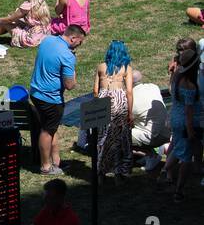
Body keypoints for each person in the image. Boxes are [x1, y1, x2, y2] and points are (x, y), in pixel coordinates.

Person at [30, 26, 86, 175]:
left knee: (52, 128)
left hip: (35, 93)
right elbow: (70, 85)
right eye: (79, 42)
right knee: (47, 131)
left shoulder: (47, 40)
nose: (79, 45)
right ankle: (46, 166)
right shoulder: (67, 55)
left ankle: (56, 162)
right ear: (73, 38)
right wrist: (73, 71)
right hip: (50, 99)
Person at [93, 40, 135, 181]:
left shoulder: (101, 67)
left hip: (103, 98)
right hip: (119, 100)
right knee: (121, 137)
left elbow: (95, 91)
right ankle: (119, 171)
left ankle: (100, 171)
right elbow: (129, 91)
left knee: (103, 137)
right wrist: (130, 112)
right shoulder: (126, 67)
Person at [166, 39, 201, 202]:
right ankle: (178, 191)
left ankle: (166, 174)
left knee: (177, 147)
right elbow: (189, 113)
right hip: (185, 123)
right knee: (185, 157)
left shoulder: (176, 75)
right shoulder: (190, 86)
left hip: (174, 117)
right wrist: (192, 132)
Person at [130, 69, 169, 157]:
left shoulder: (131, 98)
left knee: (117, 134)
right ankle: (161, 148)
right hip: (166, 133)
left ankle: (149, 155)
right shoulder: (153, 86)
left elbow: (127, 121)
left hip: (152, 138)